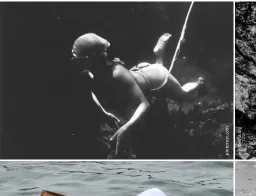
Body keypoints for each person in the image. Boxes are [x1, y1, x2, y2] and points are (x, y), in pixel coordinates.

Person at [72, 33, 204, 155]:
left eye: (77, 58)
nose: (74, 60)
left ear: (92, 59)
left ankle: (198, 83)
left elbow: (144, 104)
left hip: (156, 77)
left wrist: (126, 128)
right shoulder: (89, 74)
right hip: (141, 72)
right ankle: (158, 55)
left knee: (185, 96)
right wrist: (105, 112)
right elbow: (93, 92)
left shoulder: (117, 74)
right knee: (157, 70)